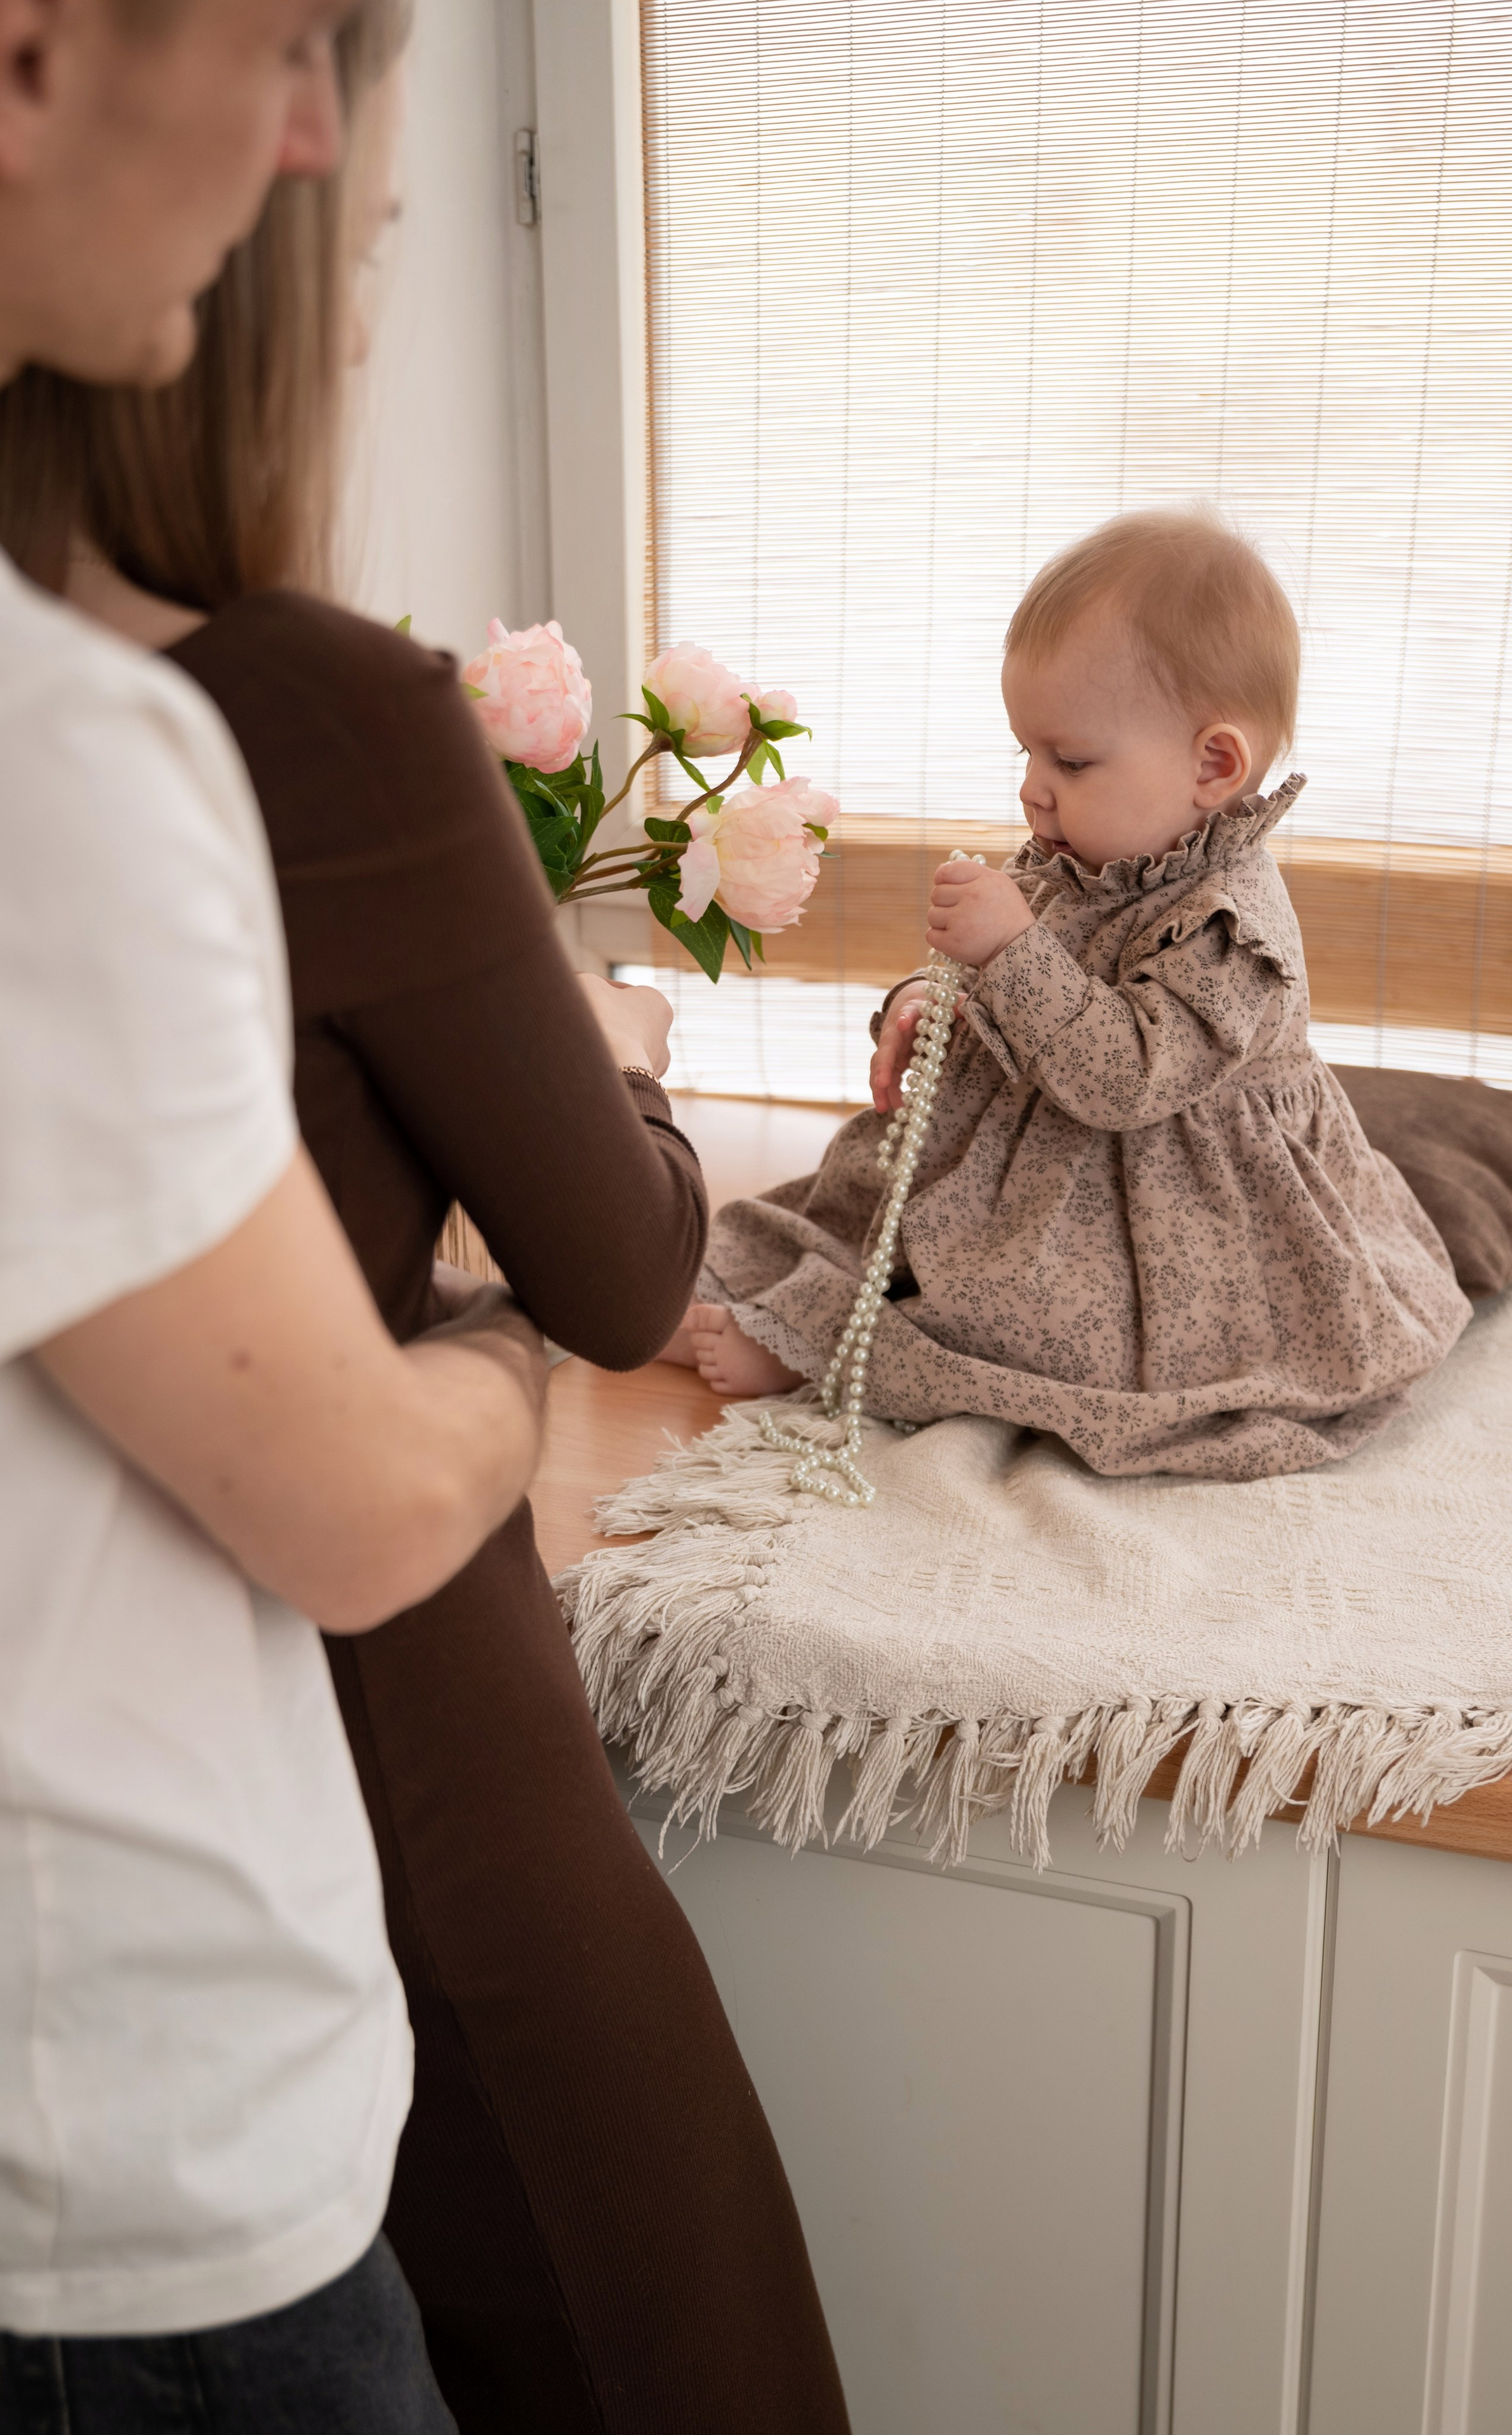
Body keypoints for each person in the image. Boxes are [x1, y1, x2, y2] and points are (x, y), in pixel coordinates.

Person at [0, 27, 851, 2434]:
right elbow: (595, 1287)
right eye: (366, 245)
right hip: (326, 1812)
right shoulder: (276, 724)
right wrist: (587, 1100)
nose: (360, 284)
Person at [0, 3, 559, 2426]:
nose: (311, 143)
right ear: (28, 55)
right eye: (281, 47)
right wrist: (506, 1367)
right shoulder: (92, 753)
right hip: (121, 2167)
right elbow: (352, 1505)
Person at [666, 509, 1473, 1481]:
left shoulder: (1228, 927)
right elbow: (1006, 973)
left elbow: (1125, 1078)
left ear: (1214, 765)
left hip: (1168, 1215)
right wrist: (929, 998)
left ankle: (828, 1355)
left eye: (1072, 761)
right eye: (1027, 756)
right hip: (1023, 1157)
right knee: (855, 1210)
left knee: (1026, 1324)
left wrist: (1008, 949)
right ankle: (747, 1294)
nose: (1034, 793)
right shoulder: (1088, 850)